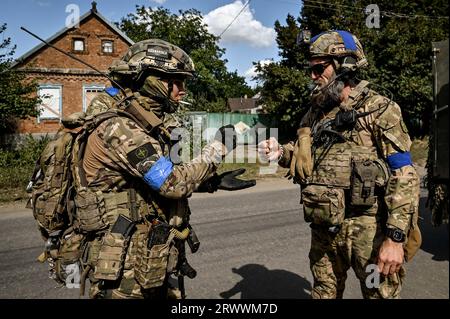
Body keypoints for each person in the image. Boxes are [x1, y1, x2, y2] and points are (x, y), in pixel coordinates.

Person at [75, 39, 255, 299]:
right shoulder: (120, 129)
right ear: (153, 81)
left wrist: (209, 182)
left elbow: (153, 179)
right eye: (177, 81)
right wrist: (219, 148)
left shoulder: (148, 125)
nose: (182, 90)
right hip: (124, 269)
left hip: (151, 256)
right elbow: (172, 183)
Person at [259, 30, 420, 299]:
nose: (313, 76)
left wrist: (394, 238)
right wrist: (281, 153)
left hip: (369, 231)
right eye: (311, 69)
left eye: (319, 68)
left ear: (345, 65)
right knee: (323, 295)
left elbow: (403, 174)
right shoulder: (316, 112)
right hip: (324, 230)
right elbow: (306, 155)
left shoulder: (379, 108)